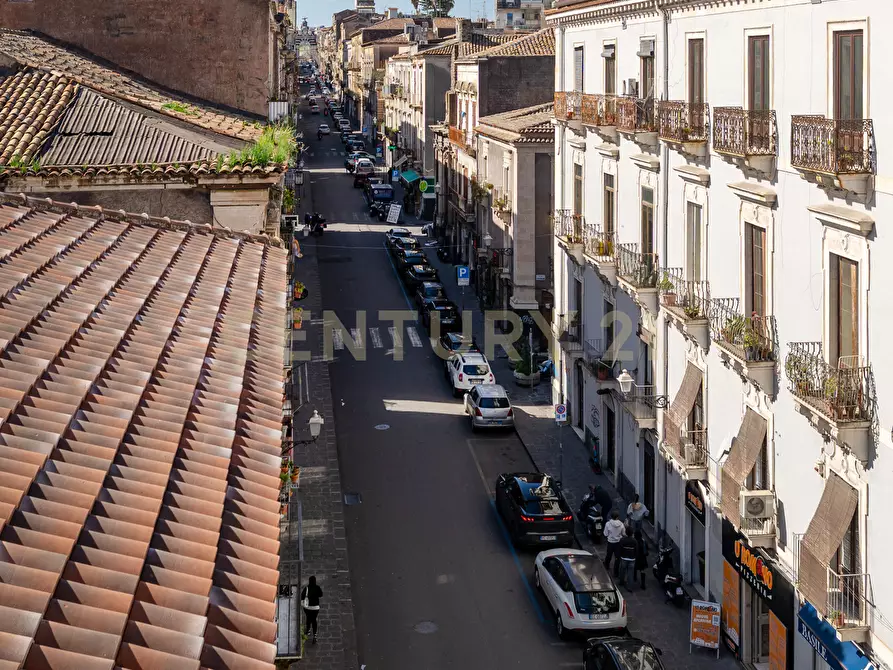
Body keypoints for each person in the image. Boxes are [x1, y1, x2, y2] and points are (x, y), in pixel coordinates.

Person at [602, 510, 625, 575]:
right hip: (618, 542)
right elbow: (623, 533)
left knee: (609, 555)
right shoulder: (621, 524)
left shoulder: (608, 524)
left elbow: (605, 534)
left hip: (610, 542)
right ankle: (616, 572)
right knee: (617, 558)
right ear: (617, 517)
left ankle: (606, 566)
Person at [301, 575, 323, 644]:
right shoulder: (317, 587)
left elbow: (302, 596)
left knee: (308, 618)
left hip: (307, 608)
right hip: (315, 608)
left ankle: (308, 631)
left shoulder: (306, 588)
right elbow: (321, 595)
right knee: (314, 620)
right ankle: (315, 636)